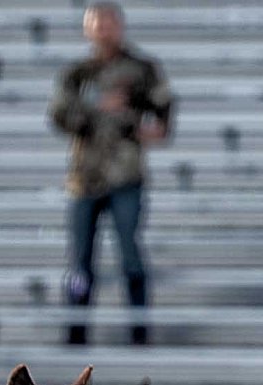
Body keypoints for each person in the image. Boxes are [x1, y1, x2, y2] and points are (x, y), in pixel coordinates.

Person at [49, 2, 173, 346]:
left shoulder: (141, 69)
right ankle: (75, 335)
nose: (105, 30)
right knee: (79, 262)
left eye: (110, 23)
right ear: (88, 28)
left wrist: (142, 125)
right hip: (84, 177)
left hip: (125, 176)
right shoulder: (78, 73)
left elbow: (163, 111)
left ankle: (139, 332)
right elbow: (59, 114)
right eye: (98, 23)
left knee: (131, 256)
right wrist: (96, 108)